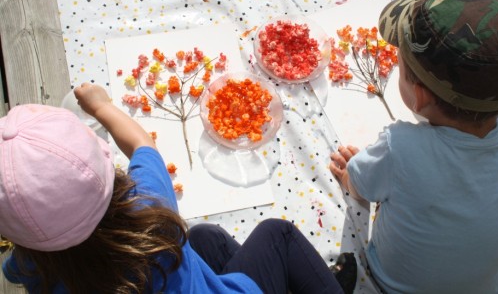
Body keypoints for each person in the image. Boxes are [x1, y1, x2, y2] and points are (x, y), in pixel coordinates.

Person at [0, 83, 357, 293]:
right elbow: (142, 143)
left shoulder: (31, 266)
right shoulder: (149, 211)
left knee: (204, 238)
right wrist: (101, 106)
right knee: (276, 233)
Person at [329, 0, 498, 293]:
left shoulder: (401, 148)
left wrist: (349, 175)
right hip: (487, 287)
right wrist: (494, 88)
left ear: (420, 98)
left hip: (394, 285)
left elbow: (359, 184)